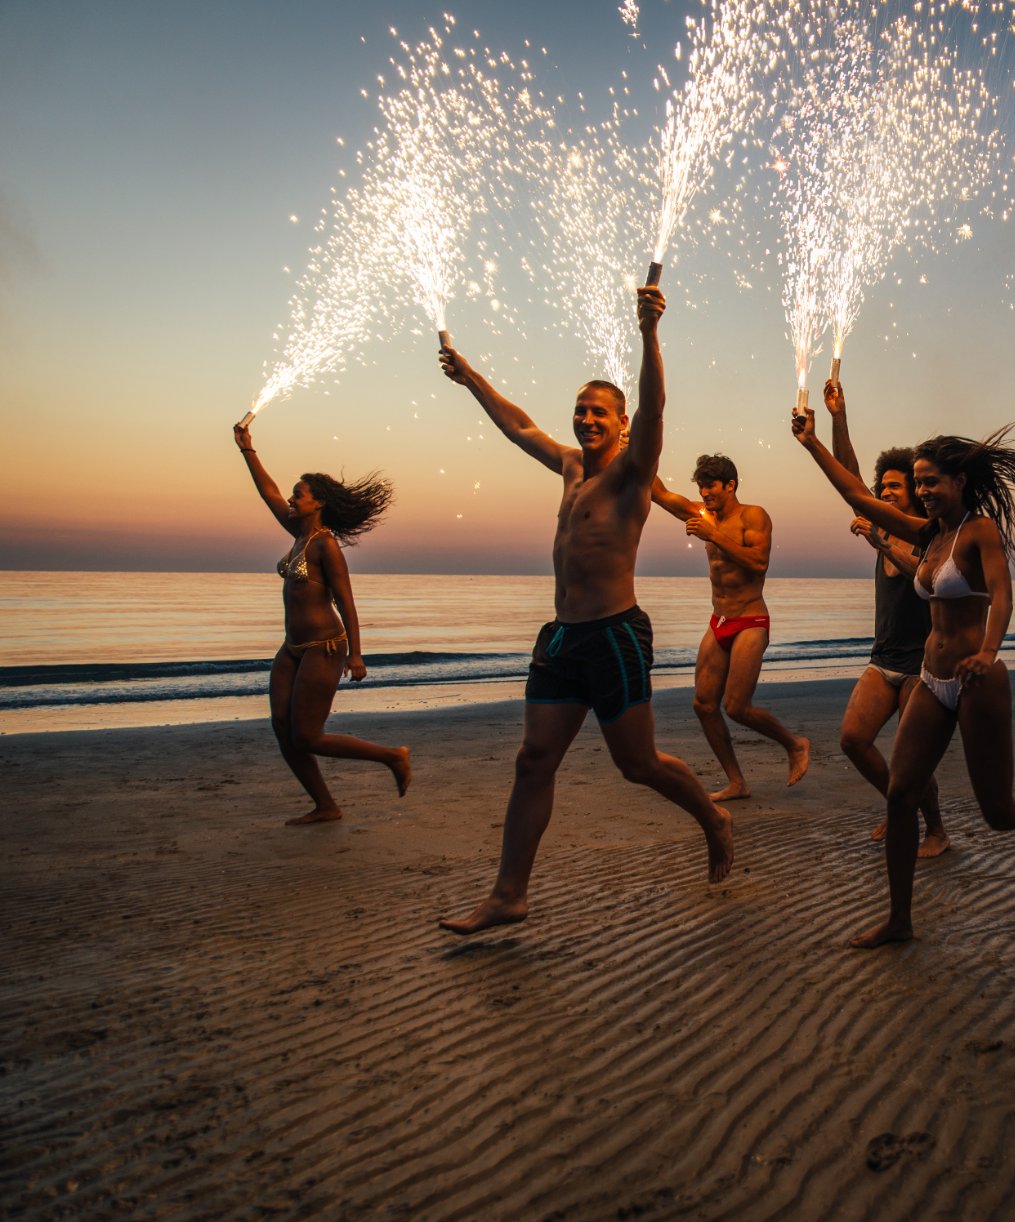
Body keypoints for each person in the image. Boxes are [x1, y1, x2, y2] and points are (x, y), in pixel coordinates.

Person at [434, 285, 734, 935]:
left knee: (639, 765)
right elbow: (518, 425)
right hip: (562, 638)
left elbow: (655, 408)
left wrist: (649, 335)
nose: (587, 420)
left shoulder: (632, 471)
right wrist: (470, 379)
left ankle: (713, 817)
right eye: (581, 410)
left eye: (600, 412)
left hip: (615, 636)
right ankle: (508, 894)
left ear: (621, 424)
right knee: (533, 759)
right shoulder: (570, 467)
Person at [791, 409, 1015, 948]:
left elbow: (1003, 595)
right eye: (917, 482)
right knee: (900, 795)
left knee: (1000, 812)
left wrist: (989, 652)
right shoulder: (929, 537)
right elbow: (858, 497)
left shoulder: (979, 533)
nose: (922, 491)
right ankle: (900, 919)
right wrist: (812, 445)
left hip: (978, 681)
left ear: (959, 482)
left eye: (930, 481)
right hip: (930, 677)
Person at [231, 420, 409, 824]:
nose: (292, 499)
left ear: (318, 503)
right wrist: (247, 449)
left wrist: (357, 654)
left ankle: (392, 756)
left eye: (300, 494)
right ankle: (325, 806)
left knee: (308, 735)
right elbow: (269, 493)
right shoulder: (297, 534)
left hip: (325, 647)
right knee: (282, 726)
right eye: (294, 494)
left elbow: (346, 599)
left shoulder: (326, 544)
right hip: (292, 647)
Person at [816, 376, 948, 859]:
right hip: (883, 659)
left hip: (921, 666)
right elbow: (848, 474)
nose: (885, 493)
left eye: (895, 487)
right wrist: (837, 417)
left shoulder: (926, 536)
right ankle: (900, 807)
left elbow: (928, 578)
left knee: (909, 758)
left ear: (913, 494)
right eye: (883, 488)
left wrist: (882, 540)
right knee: (853, 739)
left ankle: (934, 828)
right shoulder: (880, 524)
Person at [651, 455, 810, 800]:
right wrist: (631, 447)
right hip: (719, 620)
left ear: (730, 485)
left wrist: (714, 535)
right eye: (700, 487)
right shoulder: (702, 514)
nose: (704, 493)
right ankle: (737, 782)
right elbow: (659, 493)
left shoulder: (752, 515)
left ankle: (795, 744)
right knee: (704, 705)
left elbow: (759, 561)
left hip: (750, 619)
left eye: (710, 486)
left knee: (737, 706)